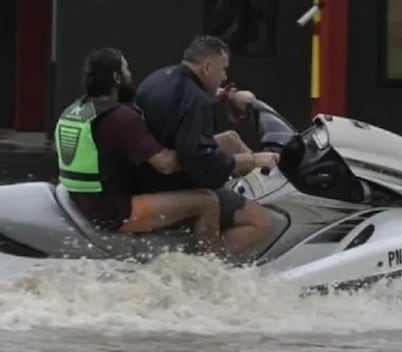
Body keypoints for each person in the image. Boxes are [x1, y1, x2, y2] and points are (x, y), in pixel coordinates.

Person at [54, 47, 222, 253]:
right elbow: (166, 165)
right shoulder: (121, 118)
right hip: (113, 212)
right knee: (207, 201)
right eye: (126, 69)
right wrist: (204, 154)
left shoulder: (75, 110)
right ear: (117, 77)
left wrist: (220, 96)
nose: (130, 74)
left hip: (81, 201)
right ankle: (210, 271)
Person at [134, 35, 279, 259]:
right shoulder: (196, 103)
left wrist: (229, 95)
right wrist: (253, 160)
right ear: (208, 67)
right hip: (166, 185)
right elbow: (203, 166)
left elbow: (185, 99)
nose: (225, 76)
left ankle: (264, 185)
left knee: (230, 139)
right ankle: (209, 268)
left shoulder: (160, 77)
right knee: (262, 222)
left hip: (145, 170)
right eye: (223, 70)